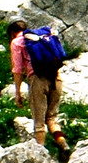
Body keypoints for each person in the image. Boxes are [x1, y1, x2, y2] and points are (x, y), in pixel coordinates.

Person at [8, 19, 69, 154]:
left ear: (12, 33)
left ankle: (41, 155)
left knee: (39, 122)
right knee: (52, 118)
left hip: (38, 80)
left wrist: (17, 93)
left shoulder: (17, 42)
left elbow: (18, 70)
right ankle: (63, 144)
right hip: (56, 77)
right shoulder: (43, 37)